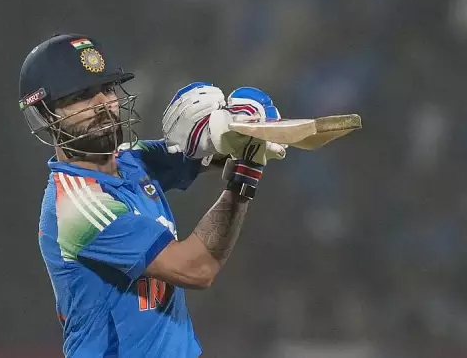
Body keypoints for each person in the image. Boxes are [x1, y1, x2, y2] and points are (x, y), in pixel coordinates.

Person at [19, 33, 286, 357]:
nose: (103, 104)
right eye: (82, 95)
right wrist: (246, 175)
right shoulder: (75, 206)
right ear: (46, 114)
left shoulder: (131, 159)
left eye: (107, 88)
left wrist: (238, 126)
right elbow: (196, 268)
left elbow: (209, 151)